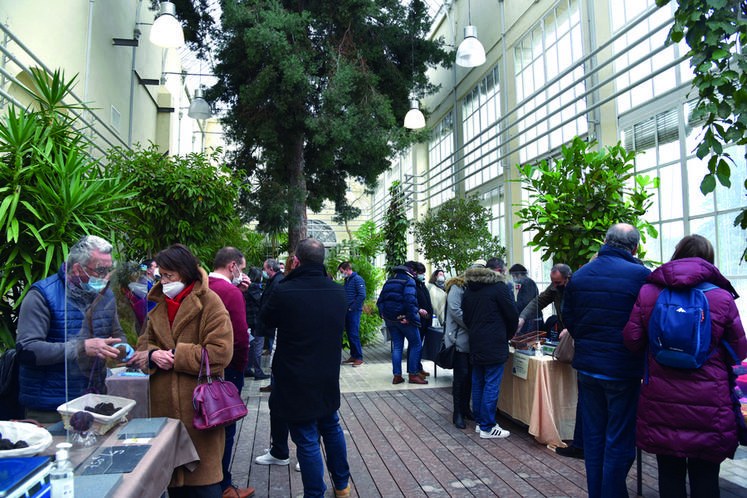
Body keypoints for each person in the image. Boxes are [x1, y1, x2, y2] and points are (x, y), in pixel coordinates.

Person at [622, 235, 747, 498]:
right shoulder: (721, 297)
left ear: (676, 255)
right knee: (705, 476)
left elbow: (632, 340)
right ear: (709, 260)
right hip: (710, 402)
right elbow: (738, 351)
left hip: (660, 398)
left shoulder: (649, 292)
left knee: (669, 473)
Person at [136, 244, 238, 498]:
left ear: (184, 273)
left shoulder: (209, 302)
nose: (164, 281)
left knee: (205, 488)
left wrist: (176, 356)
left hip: (200, 411)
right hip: (164, 414)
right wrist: (151, 355)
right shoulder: (158, 305)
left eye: (169, 276)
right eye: (161, 276)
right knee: (172, 488)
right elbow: (141, 345)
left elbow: (221, 353)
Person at [562, 223, 651, 498]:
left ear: (605, 241)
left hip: (589, 368)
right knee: (619, 439)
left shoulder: (580, 275)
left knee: (594, 437)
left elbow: (570, 320)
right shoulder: (642, 276)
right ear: (635, 248)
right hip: (623, 369)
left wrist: (588, 343)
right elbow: (647, 321)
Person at [260, 239, 351, 498]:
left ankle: (314, 493)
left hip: (294, 375)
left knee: (306, 436)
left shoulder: (285, 290)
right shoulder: (338, 291)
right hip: (327, 374)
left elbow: (266, 321)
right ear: (323, 260)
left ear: (296, 261)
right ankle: (342, 485)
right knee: (331, 426)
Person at [16, 235, 131, 422]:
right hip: (52, 408)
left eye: (109, 269)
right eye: (101, 270)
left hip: (94, 403)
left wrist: (122, 349)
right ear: (77, 269)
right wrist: (81, 348)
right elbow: (27, 350)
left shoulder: (105, 294)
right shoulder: (42, 295)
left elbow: (116, 334)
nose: (107, 277)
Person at [208, 247, 254, 498]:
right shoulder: (229, 292)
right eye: (242, 268)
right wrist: (241, 366)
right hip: (227, 368)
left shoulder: (201, 285)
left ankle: (207, 482)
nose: (242, 273)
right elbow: (239, 337)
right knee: (226, 427)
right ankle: (224, 485)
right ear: (233, 266)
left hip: (202, 367)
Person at [462, 258, 519, 439]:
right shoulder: (499, 288)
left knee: (478, 382)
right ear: (500, 270)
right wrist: (508, 335)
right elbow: (512, 315)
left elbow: (466, 317)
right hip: (495, 342)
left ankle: (480, 422)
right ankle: (487, 426)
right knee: (491, 384)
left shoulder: (470, 289)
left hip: (476, 341)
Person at [253, 258, 291, 466]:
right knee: (277, 403)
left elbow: (269, 315)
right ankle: (281, 450)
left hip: (295, 363)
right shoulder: (282, 285)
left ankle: (303, 454)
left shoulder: (283, 287)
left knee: (292, 406)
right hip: (289, 360)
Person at [377, 263, 428, 385]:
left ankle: (397, 376)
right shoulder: (408, 280)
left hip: (391, 320)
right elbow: (410, 301)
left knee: (397, 346)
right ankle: (413, 374)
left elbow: (380, 300)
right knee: (416, 344)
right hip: (404, 319)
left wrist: (383, 314)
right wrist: (410, 318)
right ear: (412, 271)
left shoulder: (390, 280)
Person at [443, 271, 473, 429]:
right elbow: (455, 311)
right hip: (459, 341)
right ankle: (458, 412)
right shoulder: (457, 288)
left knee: (469, 377)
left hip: (471, 341)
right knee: (461, 377)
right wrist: (473, 325)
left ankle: (466, 409)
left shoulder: (472, 288)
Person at [406, 261, 433, 379]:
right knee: (415, 345)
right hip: (418, 319)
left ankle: (418, 367)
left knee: (419, 345)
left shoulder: (421, 284)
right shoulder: (413, 285)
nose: (423, 275)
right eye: (421, 273)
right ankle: (414, 369)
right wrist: (419, 310)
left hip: (425, 319)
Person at [339, 261, 366, 367]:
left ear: (347, 270)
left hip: (354, 311)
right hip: (348, 310)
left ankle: (359, 357)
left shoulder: (357, 279)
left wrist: (352, 307)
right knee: (350, 333)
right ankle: (353, 355)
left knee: (354, 333)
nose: (342, 274)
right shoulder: (347, 280)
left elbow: (362, 295)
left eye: (342, 271)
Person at [244, 267, 269, 380]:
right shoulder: (254, 288)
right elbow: (261, 303)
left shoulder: (245, 288)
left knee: (251, 346)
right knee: (258, 346)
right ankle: (258, 371)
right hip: (256, 321)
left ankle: (247, 368)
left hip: (249, 321)